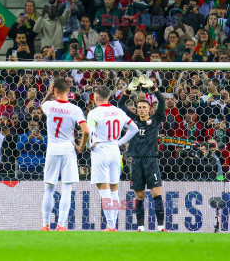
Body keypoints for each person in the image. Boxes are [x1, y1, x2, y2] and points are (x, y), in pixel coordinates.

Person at [117, 75, 166, 232]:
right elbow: (120, 104)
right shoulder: (132, 120)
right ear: (136, 110)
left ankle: (161, 227)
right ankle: (140, 227)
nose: (141, 109)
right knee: (139, 196)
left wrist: (153, 89)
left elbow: (163, 102)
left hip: (151, 160)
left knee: (156, 193)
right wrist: (129, 90)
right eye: (139, 107)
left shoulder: (156, 119)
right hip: (136, 161)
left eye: (144, 107)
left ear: (149, 109)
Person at [40, 78, 89, 231]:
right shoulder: (75, 109)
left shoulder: (49, 105)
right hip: (68, 150)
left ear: (55, 90)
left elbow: (42, 105)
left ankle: (45, 225)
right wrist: (81, 147)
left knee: (49, 188)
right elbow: (86, 131)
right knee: (67, 188)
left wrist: (48, 94)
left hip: (53, 149)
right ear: (69, 91)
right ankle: (61, 225)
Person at [87, 86, 138, 232]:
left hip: (100, 150)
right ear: (109, 97)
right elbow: (133, 128)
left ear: (96, 98)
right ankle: (113, 225)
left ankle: (110, 226)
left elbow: (89, 130)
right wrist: (119, 142)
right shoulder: (119, 111)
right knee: (114, 189)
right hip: (115, 152)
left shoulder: (94, 113)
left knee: (104, 189)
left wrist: (88, 145)